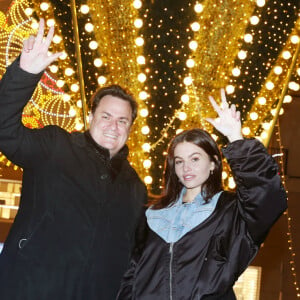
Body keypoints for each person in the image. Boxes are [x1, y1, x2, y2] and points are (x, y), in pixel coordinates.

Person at [0, 19, 147, 299]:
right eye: (105, 116)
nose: (113, 126)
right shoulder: (55, 147)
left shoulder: (135, 188)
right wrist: (24, 74)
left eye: (122, 121)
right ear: (91, 117)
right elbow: (4, 130)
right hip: (28, 289)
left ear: (129, 128)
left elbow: (136, 258)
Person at [117, 89, 287, 299]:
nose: (186, 167)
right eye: (179, 161)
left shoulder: (230, 212)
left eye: (195, 158)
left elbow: (267, 198)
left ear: (214, 164)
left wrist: (235, 137)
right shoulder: (152, 216)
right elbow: (131, 278)